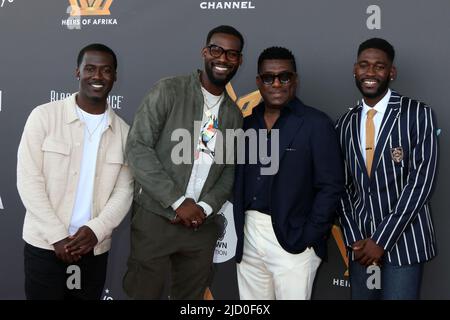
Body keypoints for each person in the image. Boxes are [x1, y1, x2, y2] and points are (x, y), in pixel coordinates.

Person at [123, 25, 244, 300]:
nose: (223, 59)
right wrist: (179, 201)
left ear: (239, 61)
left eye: (232, 54)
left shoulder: (234, 116)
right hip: (156, 216)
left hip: (200, 226)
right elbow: (137, 148)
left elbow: (228, 173)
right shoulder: (168, 90)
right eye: (216, 50)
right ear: (205, 52)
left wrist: (202, 208)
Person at [17, 43, 133, 300]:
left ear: (115, 76)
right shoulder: (44, 117)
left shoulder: (125, 133)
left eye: (106, 70)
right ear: (77, 72)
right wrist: (57, 236)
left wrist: (96, 230)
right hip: (44, 245)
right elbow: (29, 180)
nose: (97, 76)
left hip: (93, 248)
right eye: (90, 68)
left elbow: (124, 191)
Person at [233, 47, 344, 300]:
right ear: (259, 82)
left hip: (294, 240)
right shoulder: (247, 124)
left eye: (284, 77)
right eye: (269, 78)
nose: (277, 84)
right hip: (249, 237)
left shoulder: (316, 123)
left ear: (295, 80)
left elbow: (331, 186)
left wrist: (308, 236)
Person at [336, 38, 438, 299]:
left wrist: (380, 240)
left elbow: (421, 183)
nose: (370, 73)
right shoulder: (344, 123)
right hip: (361, 248)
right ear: (354, 70)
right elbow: (341, 185)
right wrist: (355, 237)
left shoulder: (417, 113)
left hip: (404, 244)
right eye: (364, 65)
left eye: (379, 66)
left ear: (391, 73)